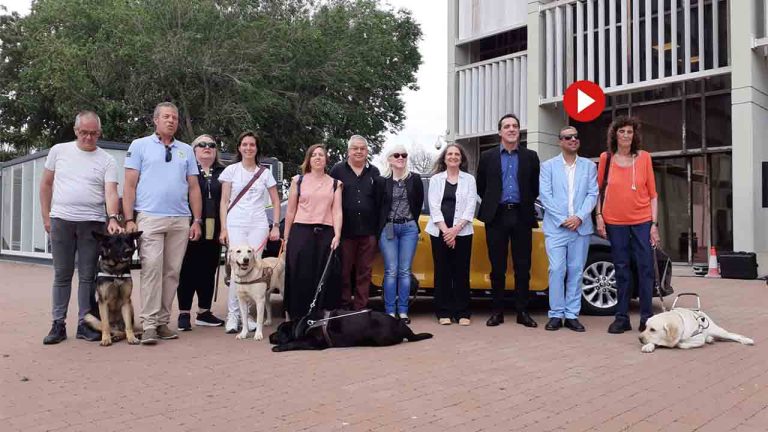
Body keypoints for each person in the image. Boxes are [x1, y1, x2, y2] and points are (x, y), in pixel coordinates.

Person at [123, 102, 203, 345]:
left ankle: (162, 323)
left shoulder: (186, 150)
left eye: (175, 118)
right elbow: (129, 185)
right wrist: (128, 219)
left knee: (171, 273)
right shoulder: (140, 146)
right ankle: (148, 324)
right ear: (155, 120)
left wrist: (197, 220)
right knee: (151, 270)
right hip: (149, 216)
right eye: (166, 117)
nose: (171, 121)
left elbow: (193, 187)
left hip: (180, 218)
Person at [40, 111, 122, 344]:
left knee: (88, 276)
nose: (88, 137)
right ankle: (58, 324)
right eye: (84, 132)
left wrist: (113, 217)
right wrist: (46, 216)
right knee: (62, 274)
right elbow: (46, 184)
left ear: (99, 133)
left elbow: (111, 191)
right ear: (76, 131)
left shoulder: (107, 159)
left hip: (92, 223)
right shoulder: (59, 151)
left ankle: (85, 325)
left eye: (93, 133)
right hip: (61, 221)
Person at [596, 116, 660, 334]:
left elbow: (653, 194)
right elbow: (599, 190)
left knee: (645, 268)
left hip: (642, 221)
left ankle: (647, 318)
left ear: (635, 135)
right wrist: (599, 215)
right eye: (621, 131)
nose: (625, 135)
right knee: (621, 269)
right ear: (614, 134)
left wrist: (654, 224)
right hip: (614, 222)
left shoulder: (644, 158)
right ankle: (621, 317)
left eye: (629, 132)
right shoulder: (606, 159)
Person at [476, 113, 540, 328]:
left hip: (522, 215)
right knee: (498, 267)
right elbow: (481, 187)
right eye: (507, 126)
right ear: (500, 132)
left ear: (519, 131)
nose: (511, 129)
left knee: (523, 267)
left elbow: (534, 188)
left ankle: (522, 312)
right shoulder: (487, 157)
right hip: (497, 216)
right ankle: (497, 312)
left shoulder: (530, 157)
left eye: (515, 126)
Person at [219, 131, 281, 333]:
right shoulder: (231, 170)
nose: (248, 148)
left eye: (252, 145)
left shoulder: (264, 173)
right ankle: (233, 315)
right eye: (244, 144)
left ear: (257, 148)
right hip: (235, 222)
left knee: (254, 268)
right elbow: (224, 201)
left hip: (258, 224)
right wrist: (224, 227)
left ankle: (249, 316)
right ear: (239, 147)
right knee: (236, 269)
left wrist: (276, 226)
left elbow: (275, 200)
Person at [539, 126, 598, 332]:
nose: (573, 139)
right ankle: (556, 314)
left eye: (575, 136)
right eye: (568, 137)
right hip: (556, 228)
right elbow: (545, 196)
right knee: (556, 269)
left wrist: (579, 217)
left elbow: (593, 194)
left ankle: (572, 315)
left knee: (576, 271)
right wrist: (564, 219)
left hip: (580, 228)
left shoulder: (589, 166)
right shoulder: (548, 166)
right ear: (560, 141)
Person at [283, 144, 343, 321]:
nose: (317, 158)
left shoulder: (335, 184)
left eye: (321, 155)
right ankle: (296, 316)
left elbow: (337, 211)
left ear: (326, 160)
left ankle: (321, 316)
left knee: (323, 275)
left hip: (325, 232)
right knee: (300, 274)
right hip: (301, 231)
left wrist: (337, 234)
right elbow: (290, 211)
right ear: (309, 159)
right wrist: (286, 237)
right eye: (314, 155)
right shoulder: (298, 181)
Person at [176, 135, 226, 331]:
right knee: (187, 270)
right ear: (193, 149)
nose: (207, 148)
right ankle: (184, 313)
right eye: (202, 145)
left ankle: (204, 312)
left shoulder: (224, 172)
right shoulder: (187, 170)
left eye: (211, 145)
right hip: (190, 225)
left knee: (209, 269)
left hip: (215, 228)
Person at [425, 144, 476, 326]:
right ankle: (443, 312)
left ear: (461, 159)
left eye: (457, 154)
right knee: (443, 272)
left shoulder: (469, 179)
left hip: (463, 232)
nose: (453, 157)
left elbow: (471, 206)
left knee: (461, 272)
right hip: (439, 232)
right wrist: (446, 231)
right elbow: (434, 206)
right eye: (450, 154)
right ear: (444, 158)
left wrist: (455, 230)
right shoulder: (436, 179)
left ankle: (462, 312)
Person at [329, 135, 380, 311]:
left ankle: (361, 309)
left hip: (369, 232)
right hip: (345, 232)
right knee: (343, 272)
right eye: (355, 148)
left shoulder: (374, 172)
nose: (359, 151)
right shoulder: (337, 170)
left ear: (367, 151)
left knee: (364, 273)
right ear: (348, 151)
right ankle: (343, 307)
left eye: (362, 148)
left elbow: (379, 202)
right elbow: (330, 199)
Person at [375, 144, 424, 324]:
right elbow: (378, 207)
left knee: (404, 271)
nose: (401, 158)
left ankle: (403, 312)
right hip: (388, 228)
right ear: (389, 159)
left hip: (409, 228)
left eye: (404, 155)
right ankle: (389, 312)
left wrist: (410, 221)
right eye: (397, 155)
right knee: (391, 270)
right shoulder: (381, 181)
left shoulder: (415, 179)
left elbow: (418, 204)